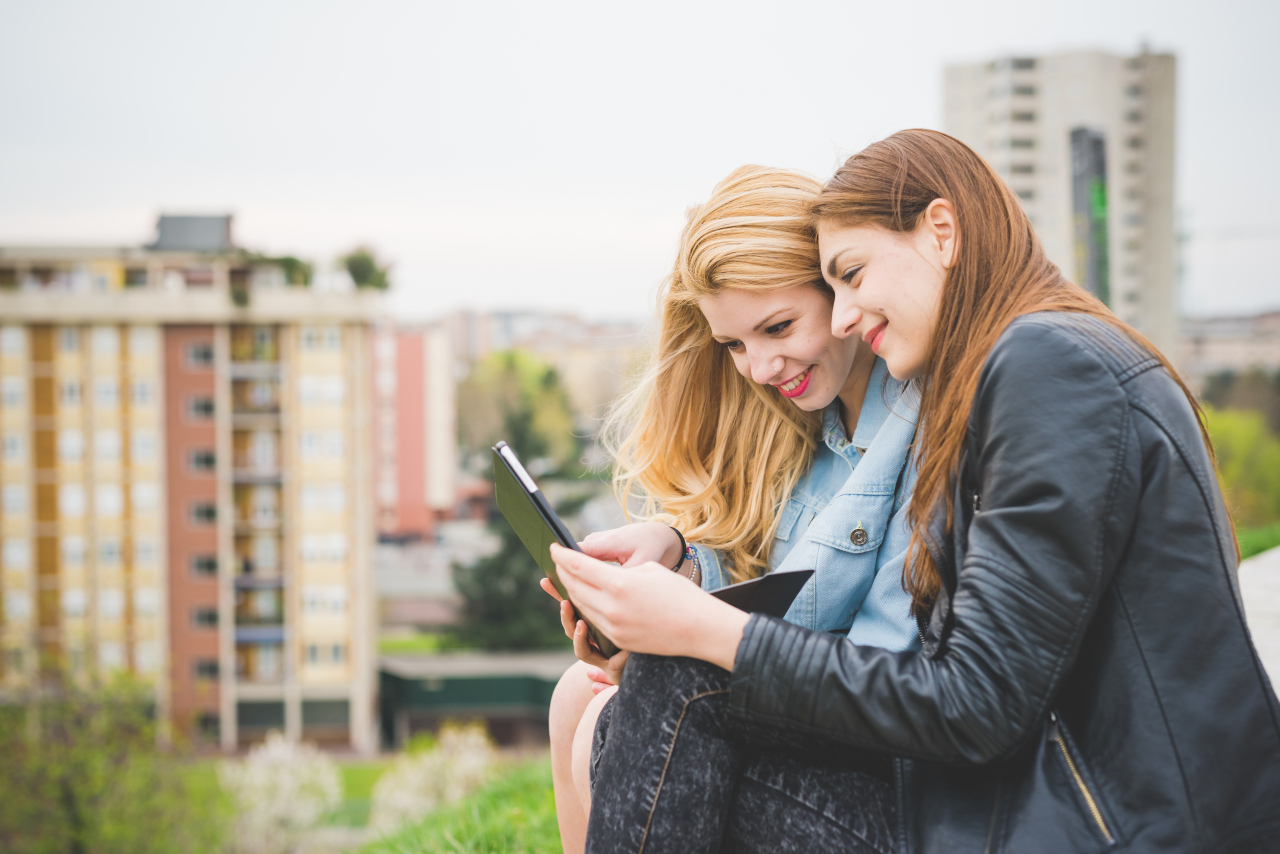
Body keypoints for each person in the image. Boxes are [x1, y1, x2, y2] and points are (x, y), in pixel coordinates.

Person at [551, 129, 1280, 854]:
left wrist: (701, 630)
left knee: (673, 688)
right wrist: (680, 584)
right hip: (1050, 800)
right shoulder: (1030, 359)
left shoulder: (1045, 363)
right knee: (661, 694)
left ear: (940, 231)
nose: (842, 316)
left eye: (854, 274)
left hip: (1107, 826)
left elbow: (974, 704)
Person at [542, 166, 923, 853]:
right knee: (579, 689)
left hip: (888, 775)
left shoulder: (909, 427)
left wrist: (687, 636)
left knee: (627, 704)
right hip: (804, 723)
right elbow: (773, 591)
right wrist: (677, 561)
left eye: (778, 327)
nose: (760, 367)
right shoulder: (812, 432)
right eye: (735, 345)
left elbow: (870, 668)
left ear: (840, 292)